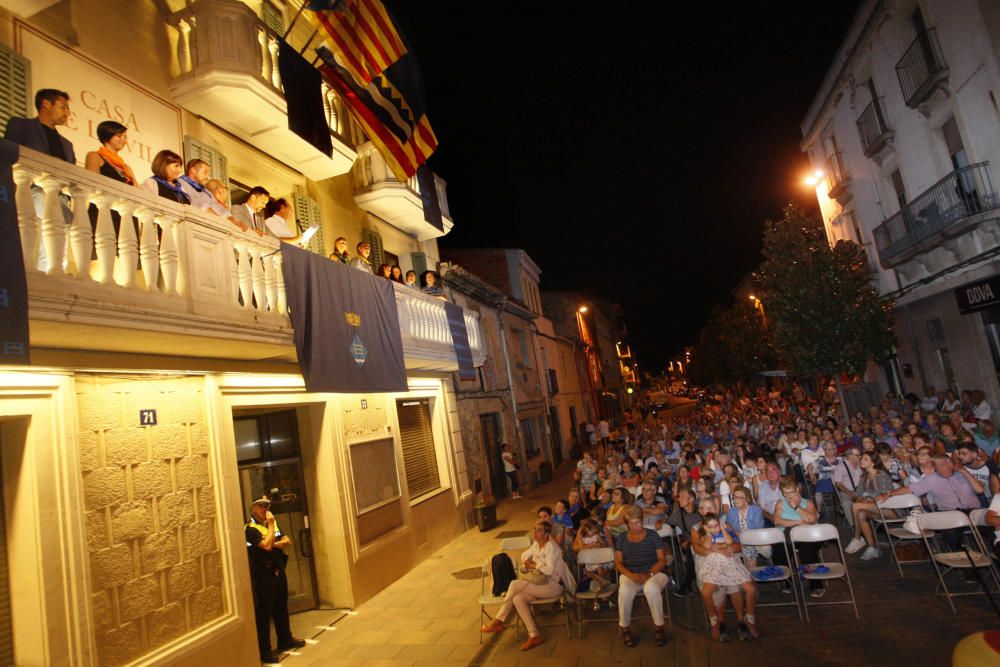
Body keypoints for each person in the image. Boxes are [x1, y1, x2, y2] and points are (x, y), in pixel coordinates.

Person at [480, 520, 572, 651]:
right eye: (534, 529)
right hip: (540, 584)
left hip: (554, 586)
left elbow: (550, 570)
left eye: (539, 530)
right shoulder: (536, 544)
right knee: (518, 598)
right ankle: (534, 635)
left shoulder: (551, 547)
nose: (535, 532)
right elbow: (524, 555)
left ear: (546, 534)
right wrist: (528, 561)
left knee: (514, 584)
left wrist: (534, 565)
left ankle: (499, 620)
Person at [245, 496, 305, 663]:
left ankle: (285, 639)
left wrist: (275, 542)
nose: (265, 509)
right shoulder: (251, 529)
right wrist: (271, 528)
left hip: (278, 570)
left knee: (281, 606)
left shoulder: (274, 525)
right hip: (263, 574)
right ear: (253, 510)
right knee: (264, 613)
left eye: (267, 506)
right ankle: (264, 651)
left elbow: (287, 541)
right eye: (261, 506)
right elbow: (265, 546)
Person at [695, 513, 759, 640]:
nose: (714, 528)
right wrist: (711, 537)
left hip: (730, 564)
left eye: (716, 525)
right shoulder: (704, 535)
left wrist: (723, 530)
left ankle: (749, 619)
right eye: (710, 526)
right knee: (706, 591)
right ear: (706, 527)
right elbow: (706, 546)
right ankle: (714, 620)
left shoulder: (726, 531)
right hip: (714, 565)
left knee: (750, 588)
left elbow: (731, 543)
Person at [614, 506, 669, 648]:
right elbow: (618, 562)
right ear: (627, 524)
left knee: (651, 588)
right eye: (631, 523)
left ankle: (659, 627)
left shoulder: (652, 535)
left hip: (654, 572)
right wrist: (631, 575)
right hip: (631, 573)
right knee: (624, 591)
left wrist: (649, 574)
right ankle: (625, 628)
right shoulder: (622, 538)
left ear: (642, 521)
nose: (634, 526)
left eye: (637, 522)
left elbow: (662, 560)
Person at [773, 476, 825, 597]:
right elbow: (777, 521)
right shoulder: (781, 503)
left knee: (806, 550)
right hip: (786, 536)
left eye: (790, 492)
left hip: (806, 536)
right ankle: (788, 581)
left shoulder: (807, 503)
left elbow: (812, 519)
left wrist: (796, 507)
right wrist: (797, 522)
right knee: (779, 548)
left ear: (797, 489)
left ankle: (816, 584)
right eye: (785, 493)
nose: (788, 496)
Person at [843, 451, 894, 560]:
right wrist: (861, 499)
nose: (861, 460)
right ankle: (872, 548)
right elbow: (857, 495)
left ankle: (857, 538)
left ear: (873, 463)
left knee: (856, 506)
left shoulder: (881, 475)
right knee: (860, 513)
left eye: (865, 459)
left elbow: (885, 496)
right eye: (862, 458)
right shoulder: (864, 476)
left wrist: (867, 501)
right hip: (875, 508)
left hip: (890, 508)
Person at [4, 88, 75, 163]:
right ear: (46, 104)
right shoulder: (20, 125)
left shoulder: (68, 146)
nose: (67, 113)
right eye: (63, 107)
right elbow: (7, 158)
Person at [84, 120, 136, 186]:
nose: (124, 141)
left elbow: (136, 190)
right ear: (107, 136)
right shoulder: (95, 156)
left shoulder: (127, 168)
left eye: (125, 137)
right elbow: (91, 183)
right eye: (119, 136)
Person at [833, 447, 863, 528]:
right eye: (858, 455)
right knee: (846, 503)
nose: (860, 457)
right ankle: (854, 525)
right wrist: (849, 493)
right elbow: (838, 484)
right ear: (850, 456)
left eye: (860, 455)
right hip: (847, 491)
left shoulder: (862, 464)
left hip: (862, 491)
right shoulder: (841, 467)